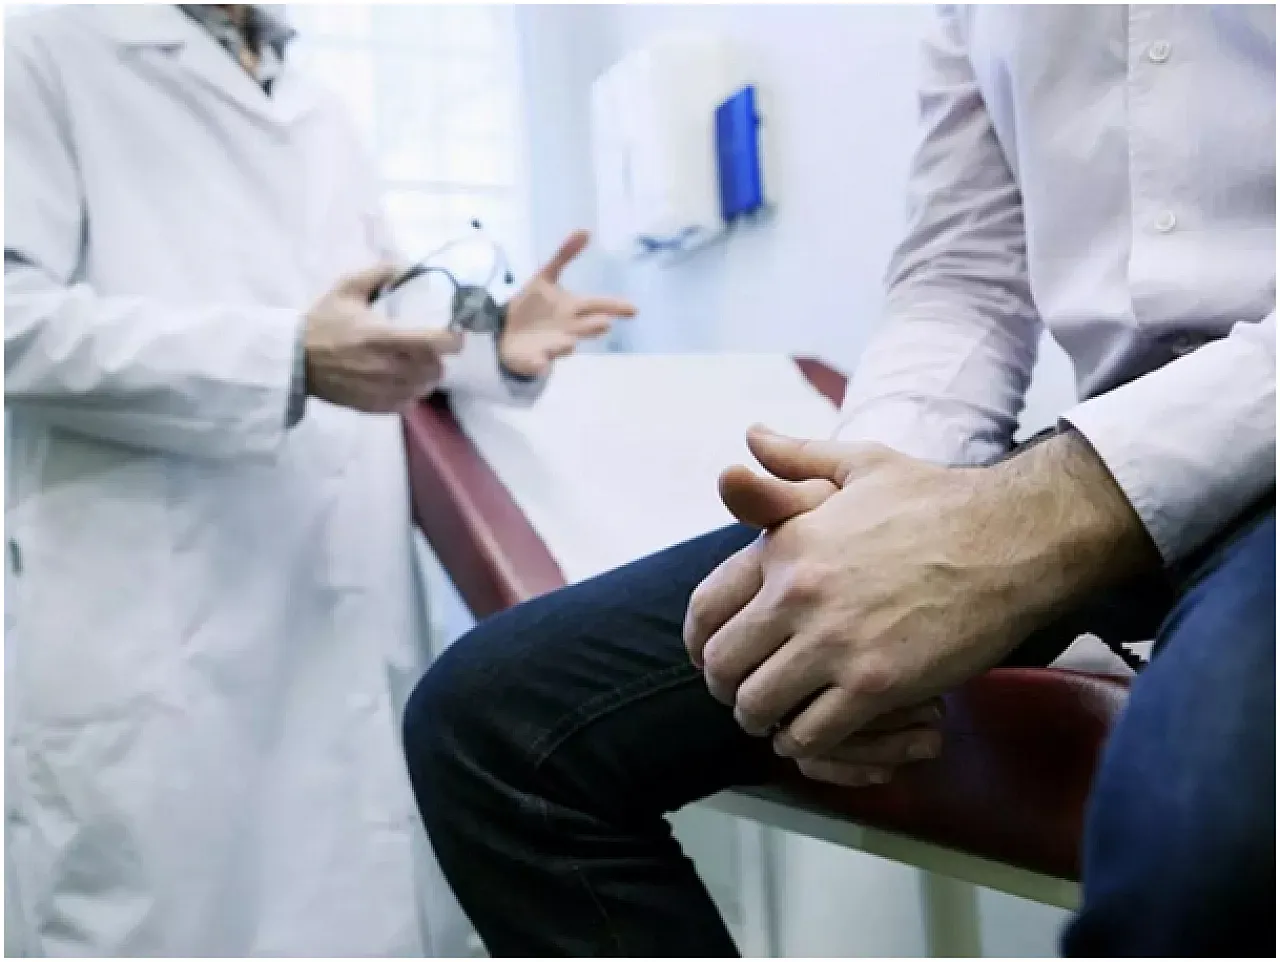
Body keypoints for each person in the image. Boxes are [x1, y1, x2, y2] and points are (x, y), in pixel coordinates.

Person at [403, 5, 1276, 957]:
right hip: (1093, 444)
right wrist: (856, 523)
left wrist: (1062, 504)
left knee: (1209, 830)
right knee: (495, 728)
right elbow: (962, 276)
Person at [4, 4, 633, 956]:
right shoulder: (43, 50)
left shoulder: (319, 105)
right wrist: (284, 356)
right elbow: (13, 323)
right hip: (152, 632)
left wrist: (487, 340)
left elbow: (367, 328)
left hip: (339, 608)